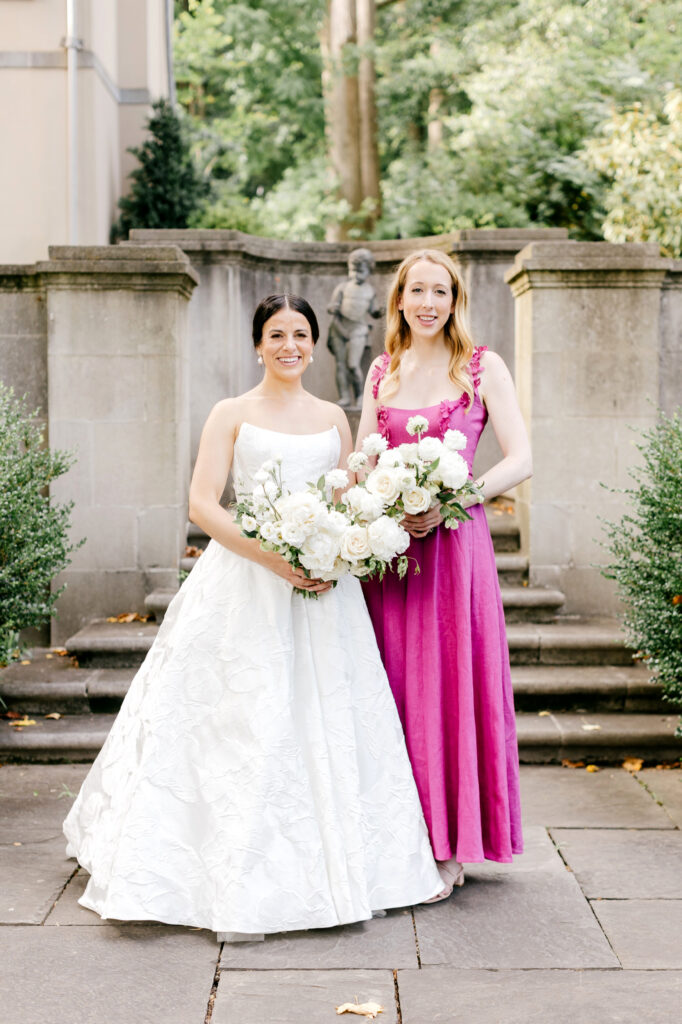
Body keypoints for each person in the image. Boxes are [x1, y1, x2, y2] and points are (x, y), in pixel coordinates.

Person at [63, 293, 442, 940]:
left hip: (324, 588)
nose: (289, 345)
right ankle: (223, 874)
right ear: (257, 344)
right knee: (240, 719)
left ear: (315, 344)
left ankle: (342, 867)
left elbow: (345, 494)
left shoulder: (332, 416)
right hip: (246, 578)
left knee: (328, 717)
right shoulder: (231, 412)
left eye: (300, 333)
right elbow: (204, 505)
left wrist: (356, 529)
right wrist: (272, 558)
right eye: (276, 334)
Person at [356, 250, 532, 901]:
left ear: (455, 299)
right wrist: (368, 502)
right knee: (395, 686)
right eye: (417, 290)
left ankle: (447, 847)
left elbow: (522, 457)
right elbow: (362, 453)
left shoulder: (482, 367)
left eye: (441, 291)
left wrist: (452, 501)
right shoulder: (383, 370)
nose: (429, 302)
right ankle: (392, 834)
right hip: (392, 554)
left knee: (448, 685)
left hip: (456, 549)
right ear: (399, 299)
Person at [327, 248, 383, 407]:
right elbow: (333, 305)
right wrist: (333, 308)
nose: (356, 274)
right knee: (340, 365)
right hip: (339, 327)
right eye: (353, 270)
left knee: (353, 365)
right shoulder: (342, 287)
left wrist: (380, 311)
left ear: (369, 270)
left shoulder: (370, 291)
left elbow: (374, 311)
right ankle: (344, 396)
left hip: (358, 330)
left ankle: (360, 396)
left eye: (361, 271)